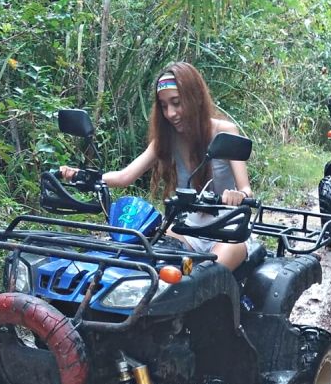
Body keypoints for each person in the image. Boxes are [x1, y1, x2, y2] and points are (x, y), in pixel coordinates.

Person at [60, 62, 253, 270]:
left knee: (207, 276)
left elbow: (246, 189)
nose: (170, 113)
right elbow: (126, 176)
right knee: (152, 266)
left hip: (229, 228)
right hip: (189, 226)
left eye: (176, 103)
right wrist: (81, 176)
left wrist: (237, 195)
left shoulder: (225, 132)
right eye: (164, 105)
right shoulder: (167, 139)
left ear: (195, 98)